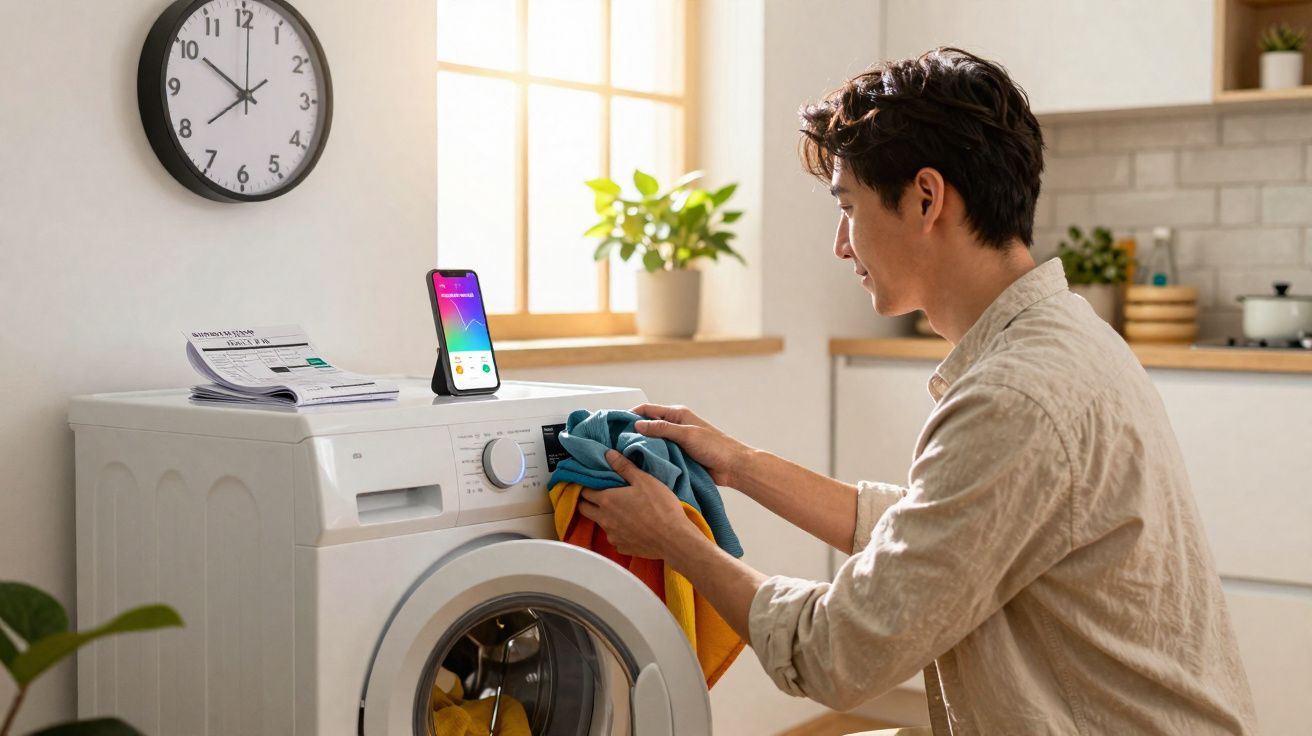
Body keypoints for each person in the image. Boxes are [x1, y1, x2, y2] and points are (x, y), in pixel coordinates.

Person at [577, 48, 1258, 734]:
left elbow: (835, 654)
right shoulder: (1067, 337)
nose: (842, 246)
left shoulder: (1013, 396)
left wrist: (675, 542)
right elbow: (935, 533)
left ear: (927, 199)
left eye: (849, 207)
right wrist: (742, 466)